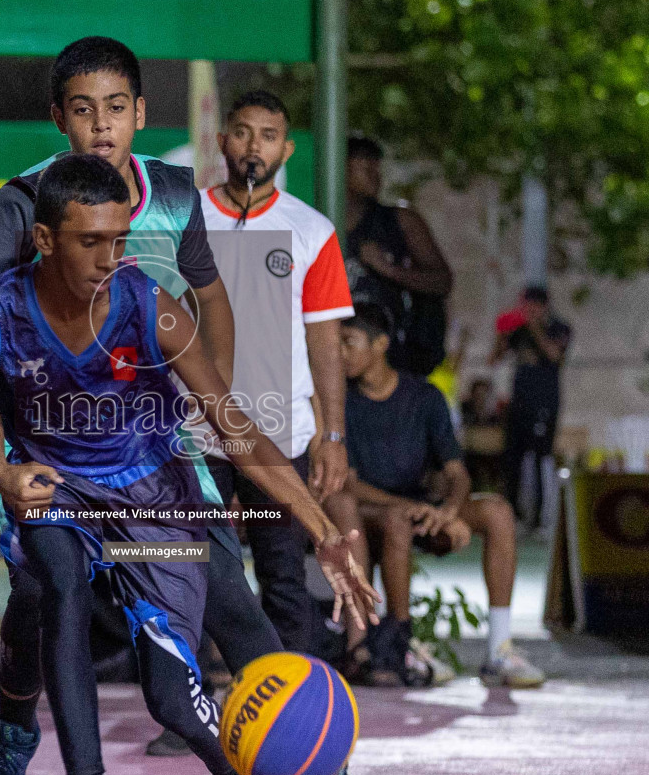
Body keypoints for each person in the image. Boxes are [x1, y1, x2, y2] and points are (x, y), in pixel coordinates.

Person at [0, 37, 396, 775]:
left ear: (141, 113)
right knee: (40, 607)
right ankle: (12, 728)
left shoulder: (177, 196)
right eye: (83, 110)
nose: (102, 127)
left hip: (158, 447)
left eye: (116, 109)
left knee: (232, 601)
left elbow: (207, 297)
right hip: (51, 454)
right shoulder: (24, 206)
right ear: (58, 119)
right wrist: (25, 402)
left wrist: (196, 384)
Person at [196, 89, 354, 658]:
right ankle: (185, 707)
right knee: (197, 573)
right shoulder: (187, 219)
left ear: (286, 148)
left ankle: (294, 709)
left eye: (267, 136)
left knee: (283, 577)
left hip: (278, 436)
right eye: (242, 132)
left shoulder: (312, 230)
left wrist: (332, 434)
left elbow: (325, 340)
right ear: (223, 141)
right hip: (197, 434)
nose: (252, 145)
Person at [339, 305, 545, 688]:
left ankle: (499, 650)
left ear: (380, 344)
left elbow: (456, 472)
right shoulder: (342, 401)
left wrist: (449, 510)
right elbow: (346, 483)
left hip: (422, 508)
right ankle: (404, 644)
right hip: (372, 511)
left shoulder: (425, 397)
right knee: (398, 522)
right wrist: (406, 506)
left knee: (498, 511)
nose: (339, 353)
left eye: (348, 343)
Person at [343, 136, 453, 377]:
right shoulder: (317, 223)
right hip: (337, 359)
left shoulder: (400, 222)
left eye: (377, 168)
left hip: (394, 363)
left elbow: (443, 281)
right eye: (365, 168)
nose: (376, 176)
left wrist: (390, 270)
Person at [491, 285, 571, 531]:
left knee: (539, 458)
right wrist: (503, 332)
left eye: (532, 305)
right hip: (519, 403)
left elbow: (554, 355)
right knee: (513, 457)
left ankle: (538, 518)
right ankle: (513, 513)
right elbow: (495, 358)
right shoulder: (519, 330)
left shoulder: (558, 327)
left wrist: (534, 324)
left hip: (544, 403)